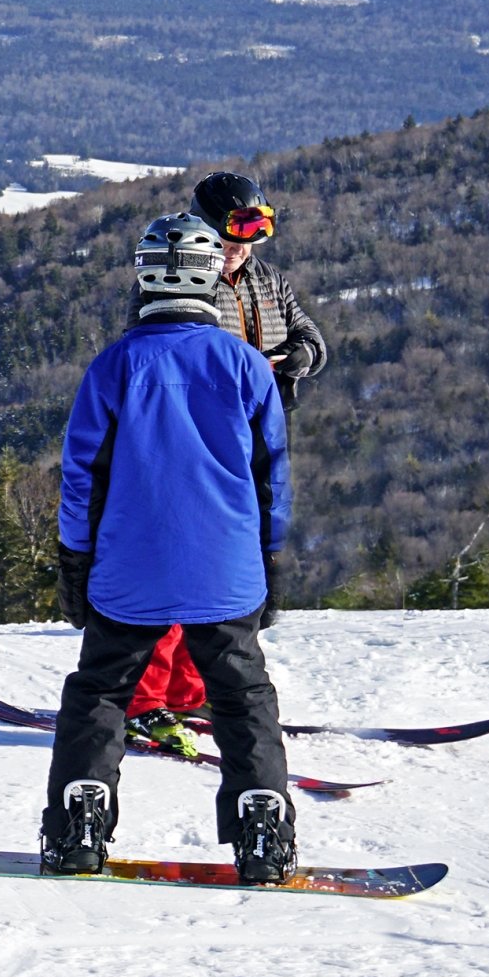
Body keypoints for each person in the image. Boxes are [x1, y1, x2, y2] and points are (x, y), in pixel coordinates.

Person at [45, 211, 296, 885]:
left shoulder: (115, 365)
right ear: (212, 277)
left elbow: (82, 477)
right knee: (243, 696)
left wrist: (74, 561)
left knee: (99, 692)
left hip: (129, 569)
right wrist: (271, 560)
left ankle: (78, 826)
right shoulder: (245, 365)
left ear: (143, 277)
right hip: (228, 570)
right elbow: (273, 473)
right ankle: (263, 828)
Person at [124, 171, 327, 758]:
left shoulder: (268, 280)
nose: (243, 245)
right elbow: (152, 348)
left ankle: (189, 693)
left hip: (254, 439)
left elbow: (311, 336)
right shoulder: (179, 278)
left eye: (254, 230)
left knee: (219, 574)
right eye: (232, 232)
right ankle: (146, 699)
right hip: (193, 440)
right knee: (176, 569)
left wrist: (296, 360)